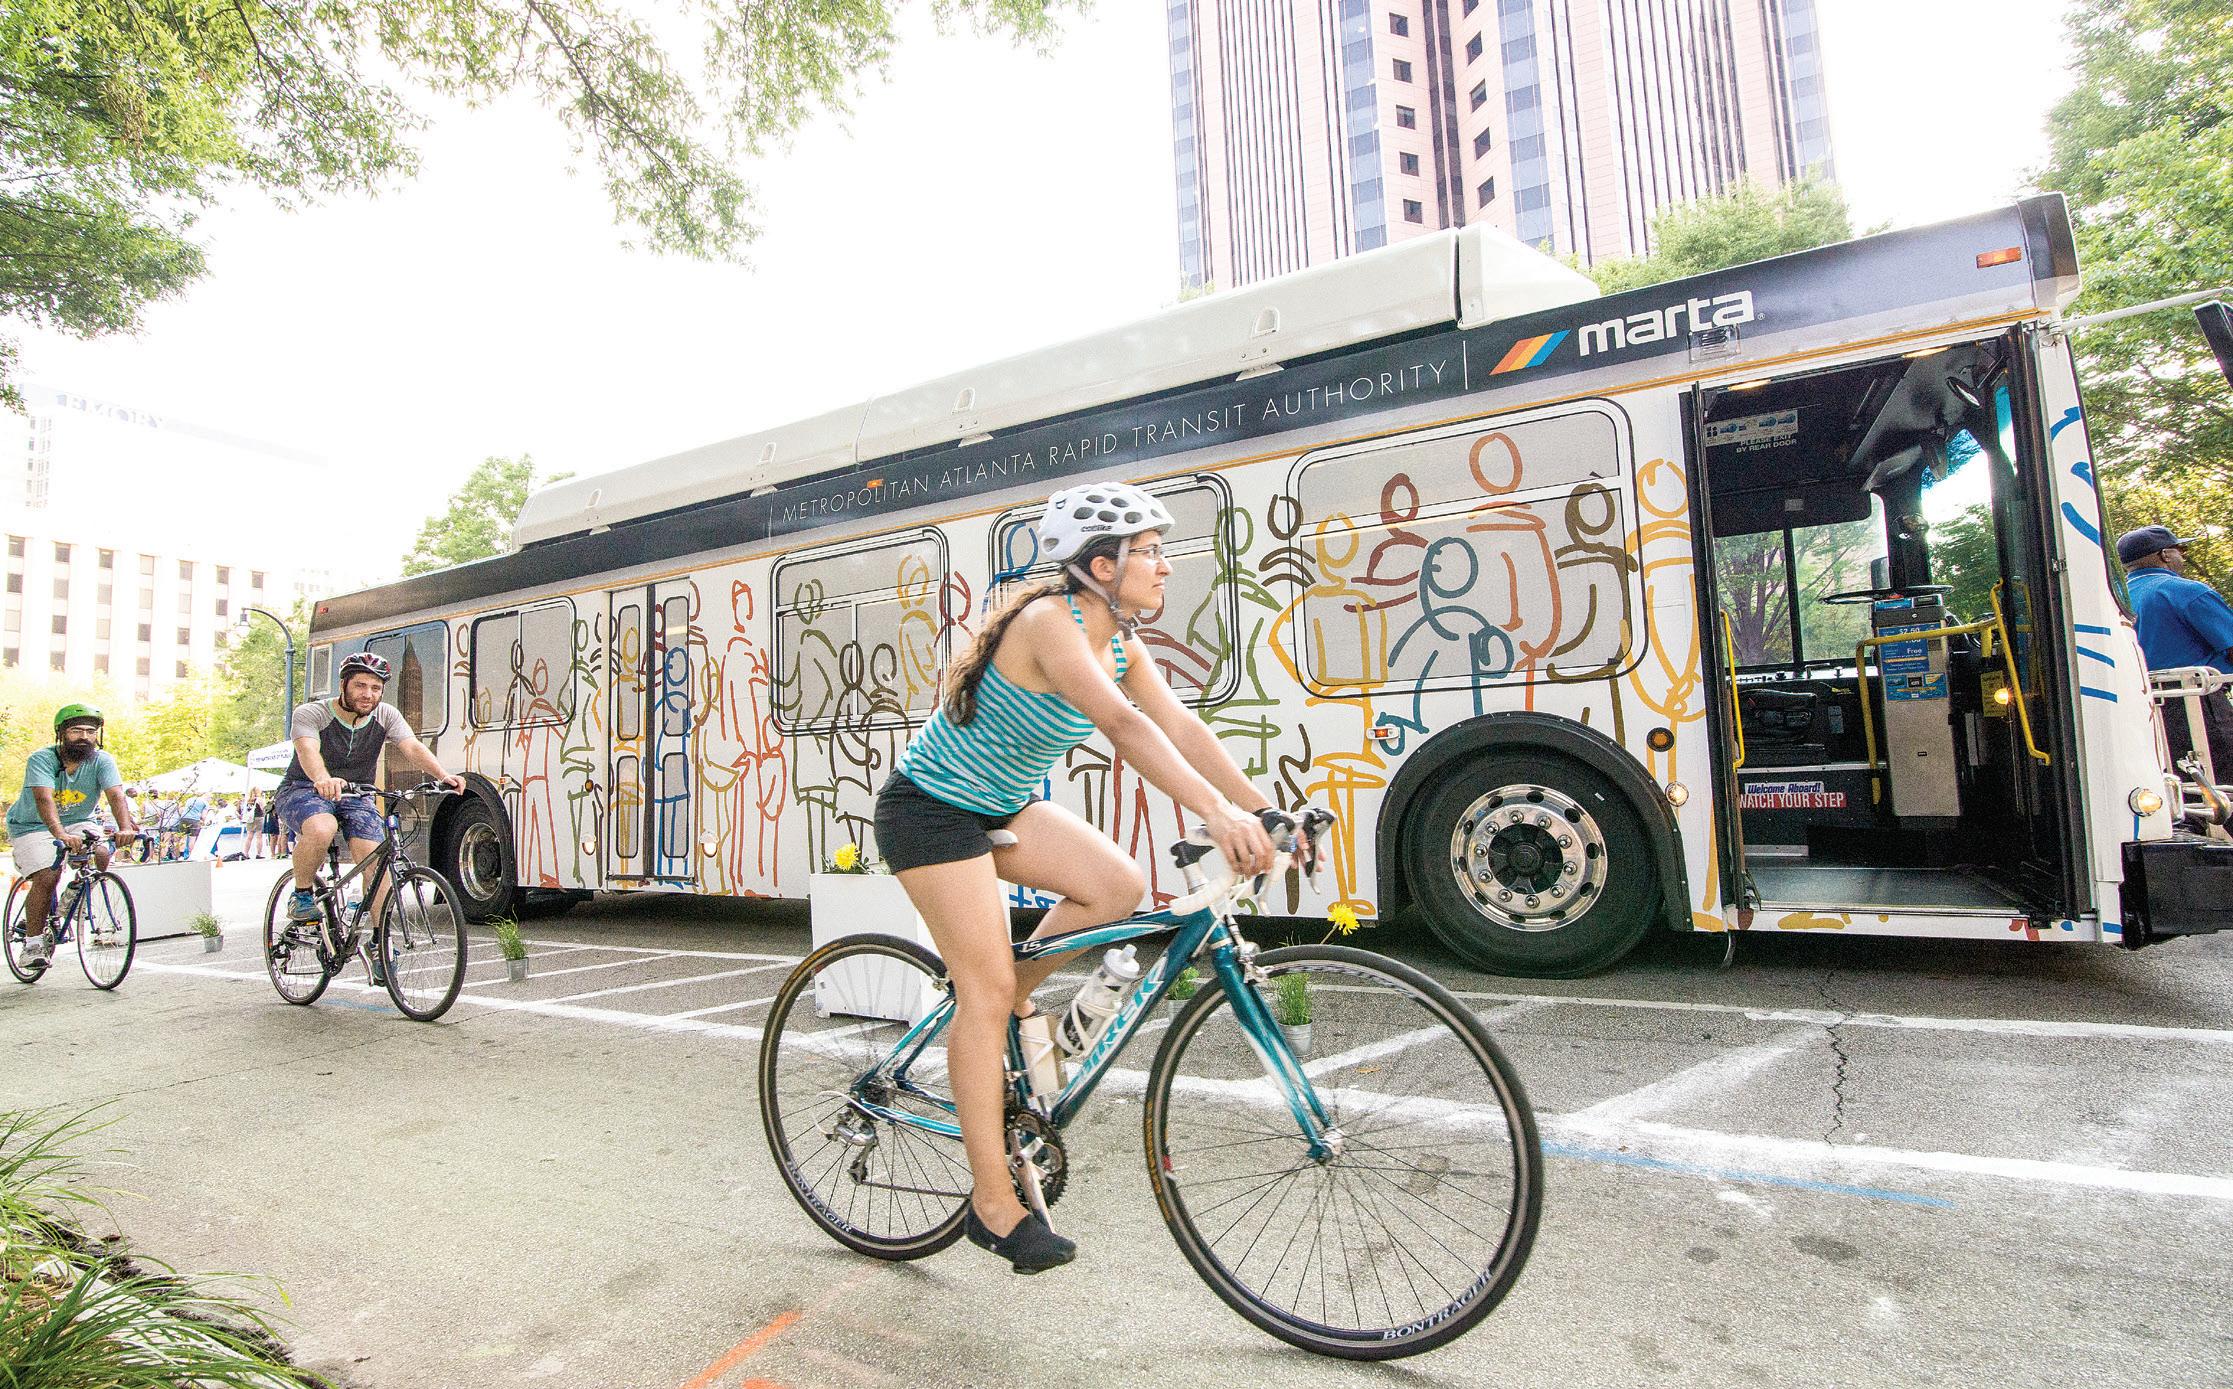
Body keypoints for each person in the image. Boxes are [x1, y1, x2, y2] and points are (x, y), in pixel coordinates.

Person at [873, 483, 1282, 1274]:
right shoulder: (1046, 623)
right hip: (929, 810)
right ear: (1101, 565)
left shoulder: (1120, 641)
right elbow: (1123, 725)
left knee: (1116, 885)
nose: (1165, 564)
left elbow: (1179, 725)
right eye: (1149, 551)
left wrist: (1262, 809)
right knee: (987, 991)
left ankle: (995, 1004)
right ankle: (993, 1204)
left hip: (999, 804)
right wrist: (1213, 813)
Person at [275, 651, 462, 930]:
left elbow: (411, 746)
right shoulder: (312, 713)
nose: (368, 694)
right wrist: (323, 779)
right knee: (323, 828)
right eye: (360, 686)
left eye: (376, 688)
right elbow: (307, 750)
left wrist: (443, 775)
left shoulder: (386, 715)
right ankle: (301, 894)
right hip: (304, 788)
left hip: (357, 794)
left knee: (377, 861)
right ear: (343, 685)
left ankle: (380, 941)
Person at [5, 705, 142, 963]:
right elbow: (44, 799)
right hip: (32, 825)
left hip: (79, 821)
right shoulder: (41, 759)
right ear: (61, 733)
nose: (84, 737)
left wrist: (125, 827)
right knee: (48, 875)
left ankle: (75, 891)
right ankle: (33, 944)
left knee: (101, 853)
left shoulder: (102, 761)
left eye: (91, 731)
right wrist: (60, 834)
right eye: (76, 730)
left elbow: (115, 794)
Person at [2118, 524, 2233, 780]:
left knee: (2179, 787)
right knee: (2222, 785)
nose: (2183, 556)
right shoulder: (2186, 592)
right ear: (2165, 555)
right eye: (2181, 550)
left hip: (2144, 711)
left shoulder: (2117, 599)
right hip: (2200, 707)